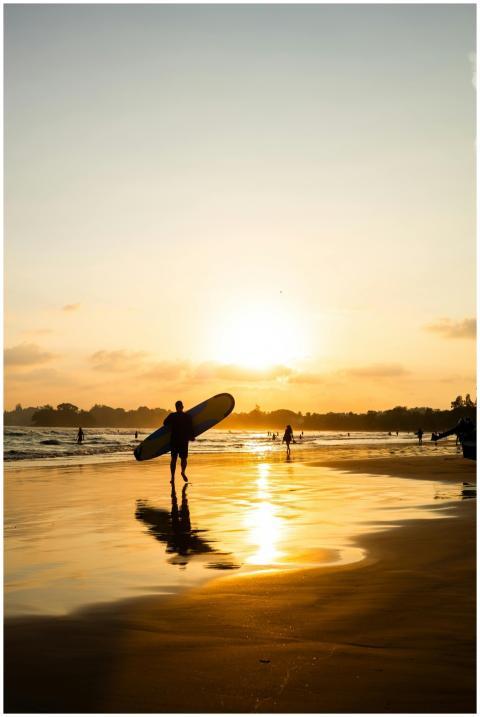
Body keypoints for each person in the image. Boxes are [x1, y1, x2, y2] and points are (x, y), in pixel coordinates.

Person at [163, 400, 195, 482]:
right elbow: (191, 428)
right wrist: (192, 436)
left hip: (174, 441)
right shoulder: (187, 416)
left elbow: (164, 423)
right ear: (182, 407)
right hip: (183, 441)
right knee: (183, 459)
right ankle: (183, 472)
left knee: (174, 459)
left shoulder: (172, 416)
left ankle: (172, 477)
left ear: (176, 407)